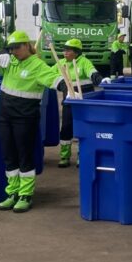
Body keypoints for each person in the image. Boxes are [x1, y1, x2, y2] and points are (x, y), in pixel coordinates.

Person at [0, 31, 60, 213]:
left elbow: (54, 79)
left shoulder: (37, 65)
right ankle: (12, 192)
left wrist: (68, 88)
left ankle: (25, 194)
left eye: (17, 47)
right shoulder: (9, 62)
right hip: (5, 117)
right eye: (11, 48)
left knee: (24, 155)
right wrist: (3, 52)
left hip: (25, 118)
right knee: (9, 155)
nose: (14, 51)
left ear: (27, 45)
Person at [55, 38, 102, 168]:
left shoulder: (84, 62)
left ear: (76, 52)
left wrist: (100, 80)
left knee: (83, 128)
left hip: (84, 102)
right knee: (66, 128)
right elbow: (48, 74)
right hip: (69, 102)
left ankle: (82, 155)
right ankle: (64, 156)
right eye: (64, 50)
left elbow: (92, 72)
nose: (65, 52)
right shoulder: (61, 63)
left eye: (68, 50)